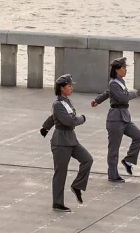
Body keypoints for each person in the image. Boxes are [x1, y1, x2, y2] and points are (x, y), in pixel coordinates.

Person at [91, 57, 140, 183]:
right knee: (114, 149)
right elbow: (122, 98)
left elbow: (107, 93)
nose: (125, 70)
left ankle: (128, 160)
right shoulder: (114, 83)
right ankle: (113, 175)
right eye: (123, 68)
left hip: (125, 117)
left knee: (139, 136)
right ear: (117, 70)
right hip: (115, 119)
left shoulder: (120, 82)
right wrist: (134, 93)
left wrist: (97, 100)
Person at [46, 74, 93, 212]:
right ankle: (58, 202)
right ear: (61, 88)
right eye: (69, 86)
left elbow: (70, 118)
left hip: (71, 139)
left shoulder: (67, 102)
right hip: (61, 142)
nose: (71, 88)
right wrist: (82, 119)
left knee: (87, 160)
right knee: (60, 173)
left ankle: (77, 185)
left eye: (72, 86)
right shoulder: (58, 105)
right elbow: (70, 121)